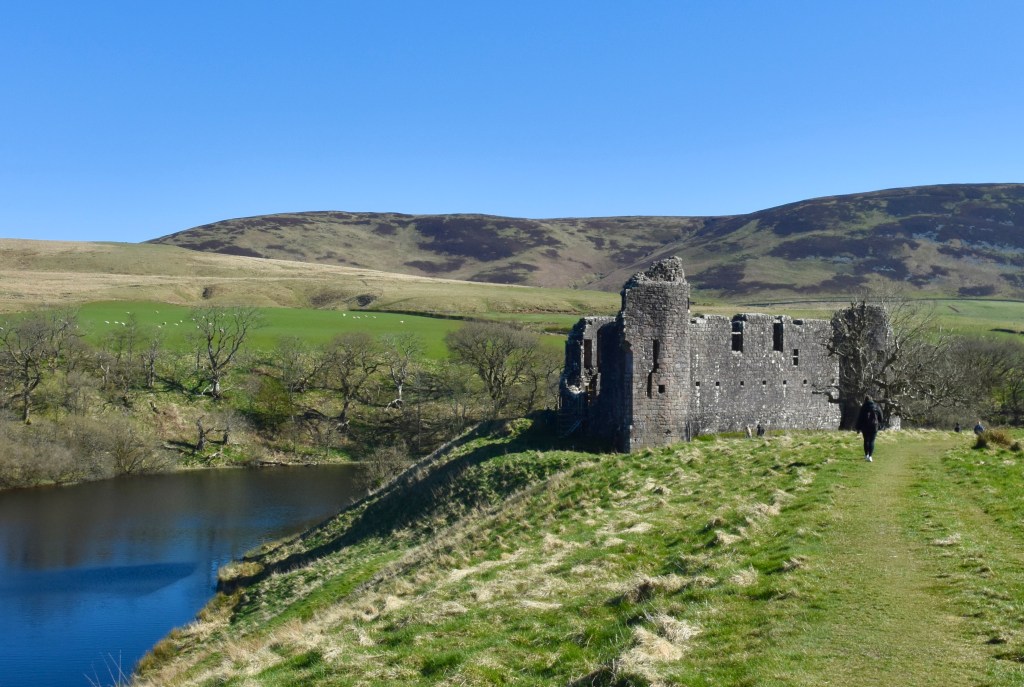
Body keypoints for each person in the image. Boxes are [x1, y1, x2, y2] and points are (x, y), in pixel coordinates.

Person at [855, 395, 883, 462]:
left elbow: (860, 418)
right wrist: (879, 423)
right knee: (872, 441)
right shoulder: (876, 406)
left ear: (865, 400)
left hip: (865, 426)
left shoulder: (863, 407)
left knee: (866, 440)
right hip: (874, 426)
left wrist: (858, 428)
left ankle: (866, 455)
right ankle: (870, 456)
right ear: (871, 400)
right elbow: (881, 417)